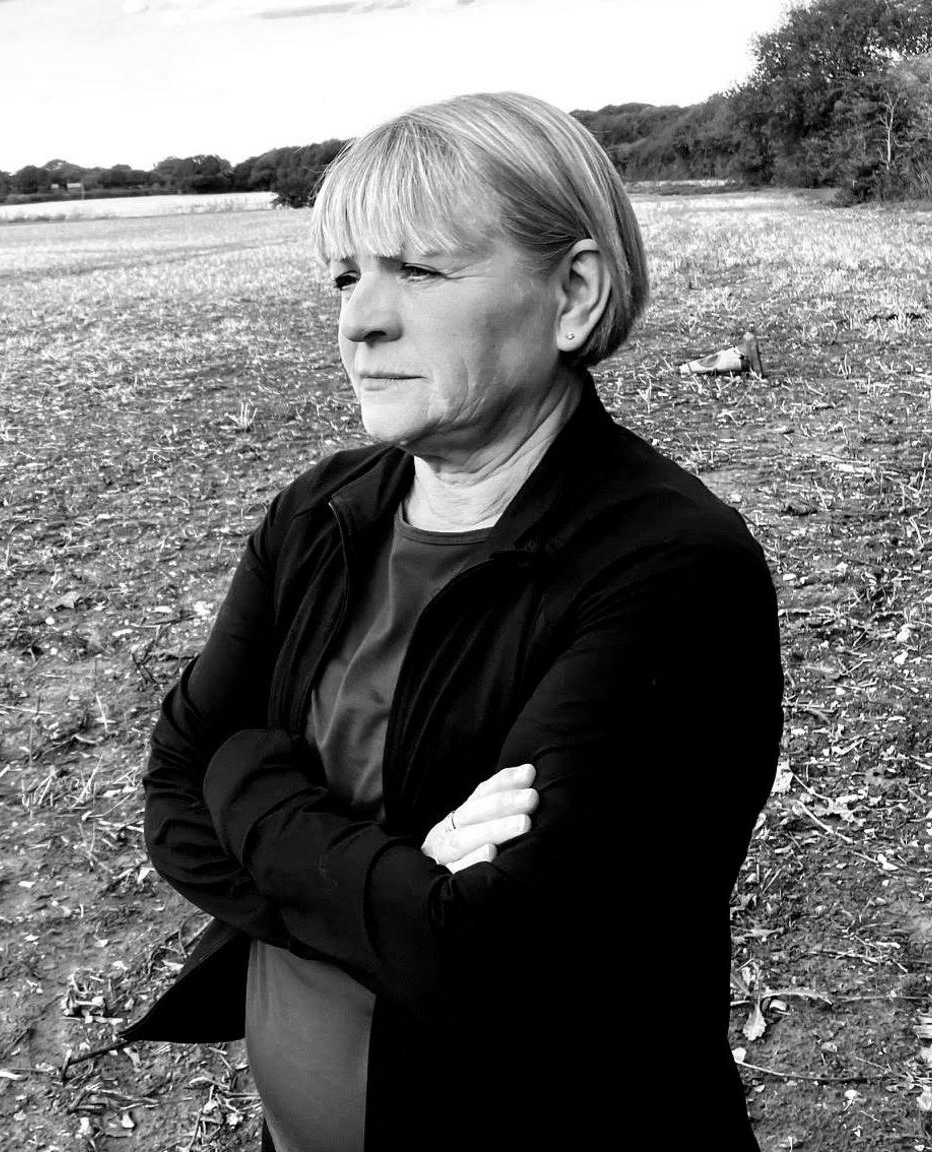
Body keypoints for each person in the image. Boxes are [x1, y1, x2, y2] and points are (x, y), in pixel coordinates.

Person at [126, 92, 783, 1150]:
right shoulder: (320, 513)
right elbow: (169, 794)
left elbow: (488, 960)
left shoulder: (668, 569)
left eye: (418, 270)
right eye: (345, 275)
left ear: (571, 292)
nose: (358, 320)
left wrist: (248, 784)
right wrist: (392, 879)